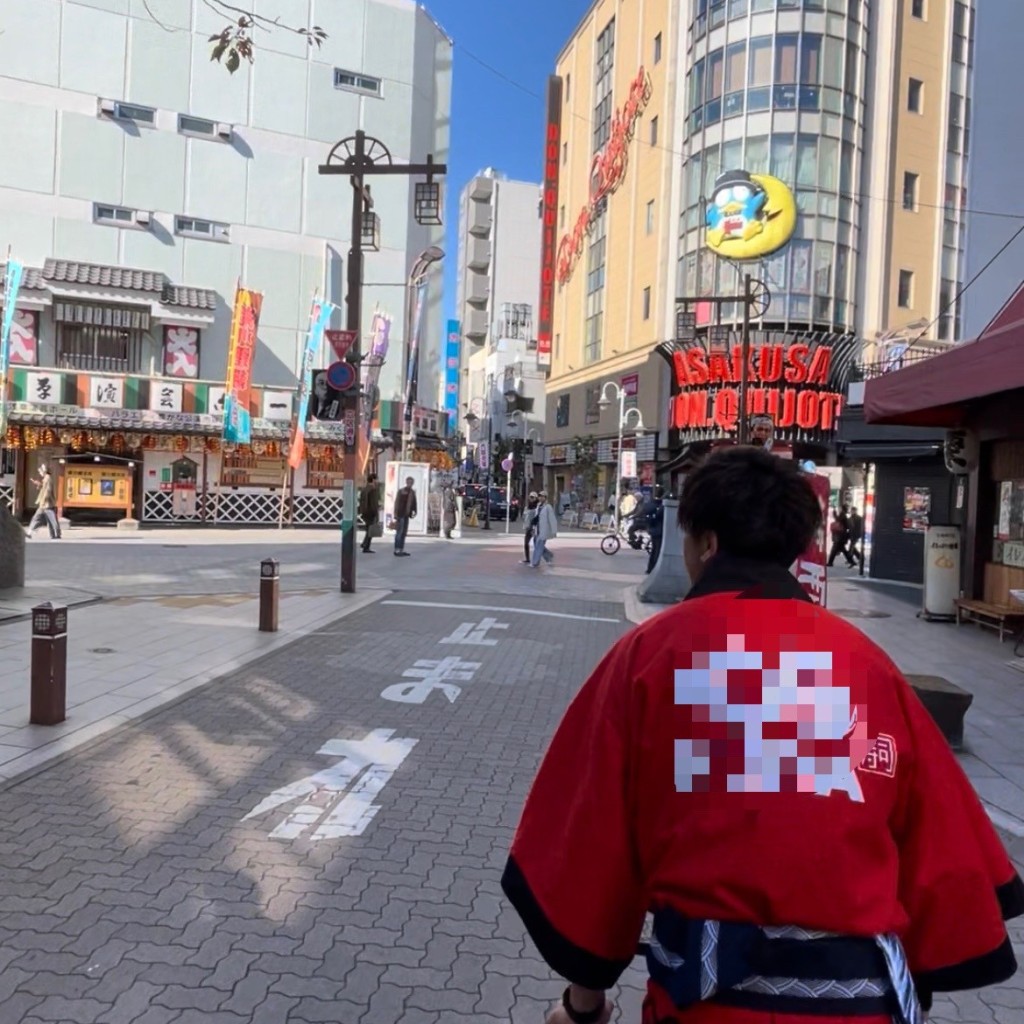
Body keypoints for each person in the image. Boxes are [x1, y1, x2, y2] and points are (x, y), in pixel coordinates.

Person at [502, 446, 1023, 1024]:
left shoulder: (650, 656)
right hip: (861, 1004)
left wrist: (584, 1004)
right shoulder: (866, 664)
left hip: (705, 1003)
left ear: (707, 544)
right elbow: (941, 842)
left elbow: (593, 841)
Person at [27, 464, 61, 540]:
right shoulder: (46, 478)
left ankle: (55, 534)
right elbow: (44, 488)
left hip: (46, 504)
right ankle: (55, 534)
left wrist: (44, 500)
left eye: (40, 471)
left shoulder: (47, 478)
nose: (40, 473)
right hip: (45, 504)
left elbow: (47, 491)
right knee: (50, 520)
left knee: (42, 519)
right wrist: (39, 484)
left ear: (44, 471)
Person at [638, 484, 664, 574]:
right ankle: (654, 569)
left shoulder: (651, 503)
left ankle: (650, 568)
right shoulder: (661, 505)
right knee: (657, 550)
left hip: (653, 529)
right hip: (660, 530)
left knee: (654, 550)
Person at [530, 490, 558, 567]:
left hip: (544, 530)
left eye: (542, 496)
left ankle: (535, 562)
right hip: (537, 529)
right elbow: (536, 518)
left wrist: (553, 530)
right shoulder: (538, 506)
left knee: (539, 546)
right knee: (537, 544)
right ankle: (549, 556)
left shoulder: (548, 507)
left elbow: (552, 519)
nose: (540, 498)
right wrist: (533, 527)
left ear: (545, 498)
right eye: (540, 496)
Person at [392, 476, 417, 557]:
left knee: (404, 532)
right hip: (400, 514)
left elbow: (414, 503)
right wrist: (395, 514)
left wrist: (414, 511)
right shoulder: (401, 491)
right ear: (406, 482)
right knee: (399, 532)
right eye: (409, 482)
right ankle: (397, 549)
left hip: (406, 514)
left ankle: (401, 549)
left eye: (411, 482)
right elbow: (397, 503)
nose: (410, 484)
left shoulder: (412, 492)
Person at [827, 504, 855, 568]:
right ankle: (852, 561)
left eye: (839, 508)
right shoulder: (844, 515)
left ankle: (830, 562)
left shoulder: (843, 515)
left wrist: (834, 513)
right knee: (843, 550)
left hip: (840, 536)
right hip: (841, 536)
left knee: (834, 550)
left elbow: (838, 520)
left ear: (842, 509)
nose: (839, 509)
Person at [358, 473, 379, 553]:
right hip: (370, 512)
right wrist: (376, 513)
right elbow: (373, 503)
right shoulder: (373, 489)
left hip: (364, 511)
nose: (377, 481)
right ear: (373, 480)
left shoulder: (364, 489)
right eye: (376, 479)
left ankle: (364, 543)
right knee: (370, 530)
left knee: (368, 528)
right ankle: (366, 546)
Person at [522, 491, 539, 564]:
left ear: (535, 498)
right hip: (528, 527)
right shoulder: (527, 507)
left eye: (533, 497)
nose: (531, 499)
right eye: (530, 497)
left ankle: (537, 559)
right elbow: (524, 516)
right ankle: (527, 558)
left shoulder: (537, 508)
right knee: (526, 543)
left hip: (534, 528)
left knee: (537, 544)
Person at [848, 505, 865, 570]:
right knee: (853, 548)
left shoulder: (859, 518)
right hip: (852, 535)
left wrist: (859, 535)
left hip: (856, 536)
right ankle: (860, 558)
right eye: (851, 511)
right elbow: (849, 528)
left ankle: (852, 561)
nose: (852, 512)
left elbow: (860, 528)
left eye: (853, 510)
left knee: (851, 549)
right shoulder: (850, 518)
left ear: (855, 511)